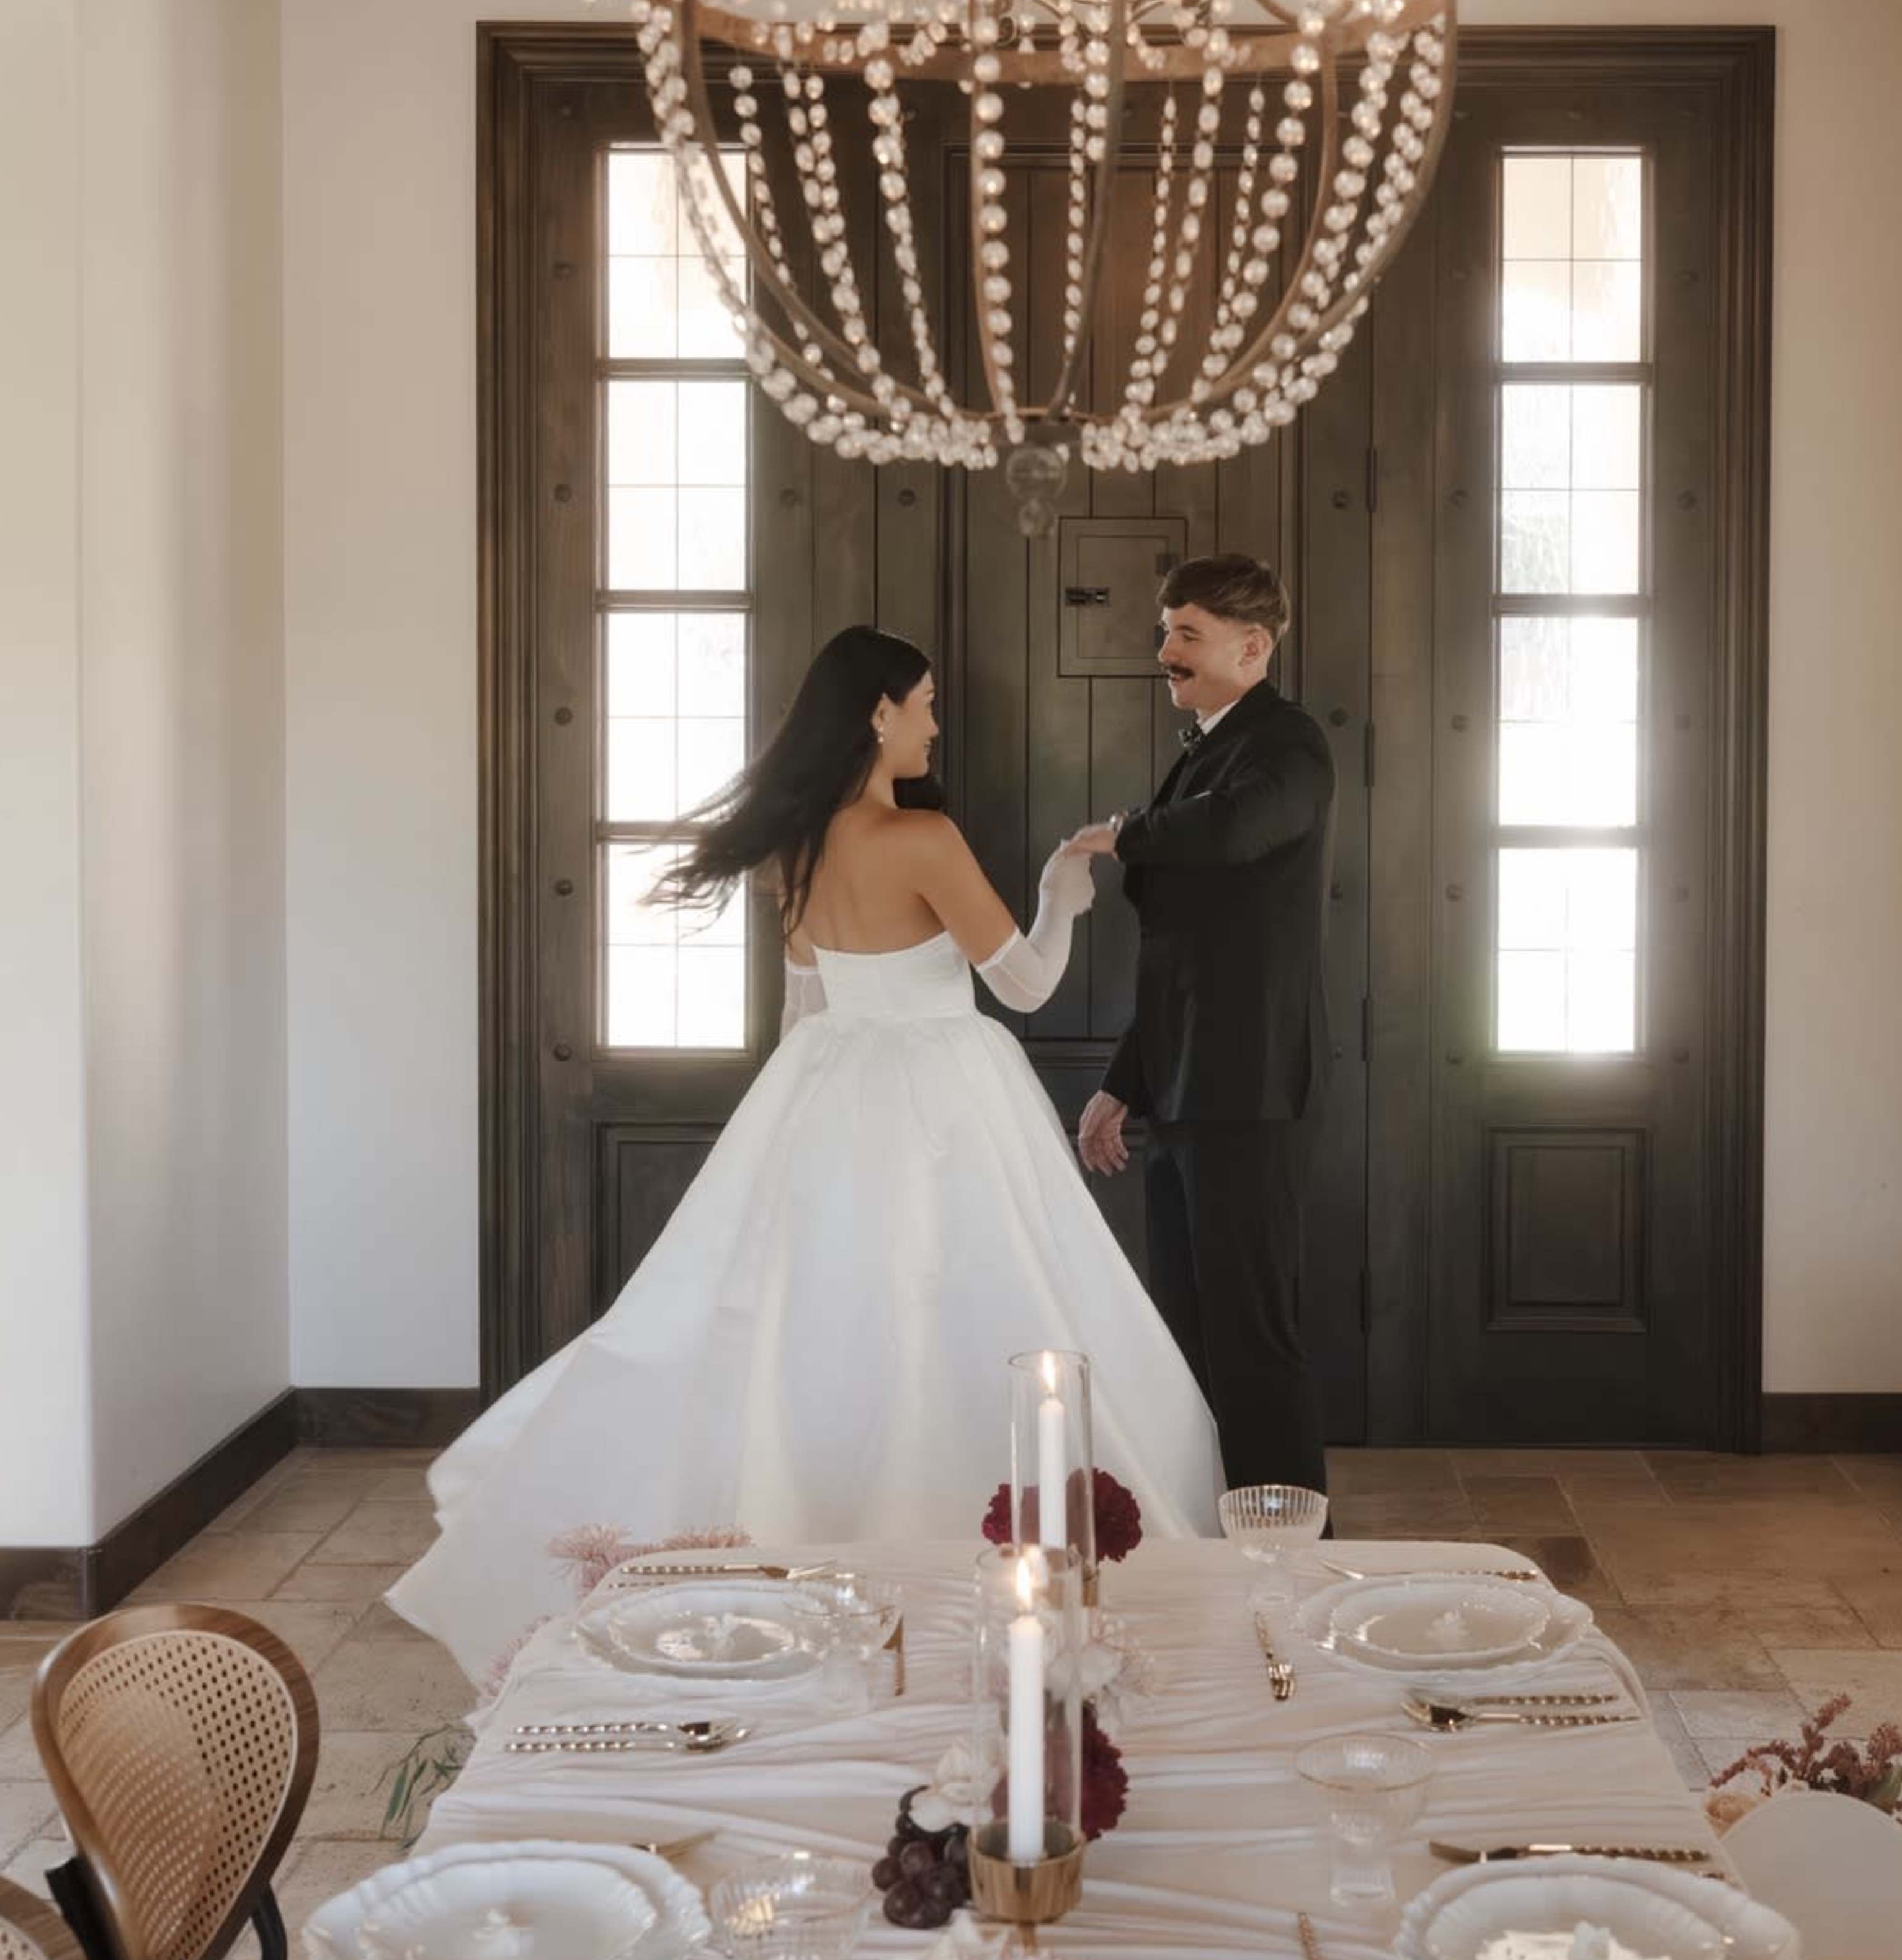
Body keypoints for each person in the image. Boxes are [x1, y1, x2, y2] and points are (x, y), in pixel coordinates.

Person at [389, 626, 1222, 1682]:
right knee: (958, 1308)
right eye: (921, 701)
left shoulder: (800, 846)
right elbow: (1024, 986)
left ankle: (817, 1551)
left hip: (827, 1089)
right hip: (945, 1091)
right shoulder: (922, 838)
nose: (934, 720)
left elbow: (807, 1006)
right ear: (877, 714)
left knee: (818, 1323)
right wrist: (1062, 890)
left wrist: (788, 1131)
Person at [1072, 553, 1335, 1496]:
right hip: (1183, 1094)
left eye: (1186, 634)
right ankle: (1224, 1551)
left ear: (1252, 646)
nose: (1165, 654)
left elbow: (1233, 831)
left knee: (1254, 1344)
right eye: (1167, 632)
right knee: (1189, 1337)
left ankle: (1296, 1562)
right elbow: (1177, 954)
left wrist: (1122, 833)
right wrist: (1120, 1083)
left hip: (1252, 1092)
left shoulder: (1291, 745)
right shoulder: (1204, 749)